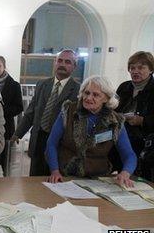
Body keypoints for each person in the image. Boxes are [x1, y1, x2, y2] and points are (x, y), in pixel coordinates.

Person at [46, 76, 137, 187]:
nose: (88, 98)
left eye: (96, 95)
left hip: (98, 179)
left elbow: (129, 155)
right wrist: (54, 171)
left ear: (106, 98)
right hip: (65, 175)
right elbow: (51, 143)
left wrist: (125, 172)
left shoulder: (115, 121)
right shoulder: (69, 111)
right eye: (86, 93)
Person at [12, 49, 80, 176]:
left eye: (67, 62)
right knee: (34, 182)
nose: (62, 64)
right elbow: (31, 112)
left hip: (60, 144)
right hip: (38, 139)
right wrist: (18, 133)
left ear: (74, 67)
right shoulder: (42, 84)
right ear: (55, 63)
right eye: (59, 61)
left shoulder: (78, 90)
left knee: (54, 182)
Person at [114, 51, 154, 180]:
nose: (135, 71)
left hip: (145, 145)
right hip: (122, 139)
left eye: (141, 67)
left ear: (151, 69)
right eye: (132, 68)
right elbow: (114, 108)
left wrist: (142, 120)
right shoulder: (124, 87)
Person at [0, 56, 23, 175]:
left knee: (6, 160)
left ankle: (5, 185)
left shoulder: (14, 85)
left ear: (4, 67)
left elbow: (19, 107)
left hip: (6, 127)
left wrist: (0, 111)